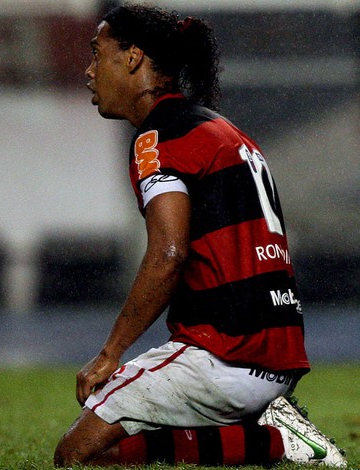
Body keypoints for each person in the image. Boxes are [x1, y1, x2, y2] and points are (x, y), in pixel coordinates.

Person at [53, 4, 347, 468]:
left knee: (76, 456)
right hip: (279, 353)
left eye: (97, 53)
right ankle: (272, 432)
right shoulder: (221, 129)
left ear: (132, 58)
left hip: (222, 353)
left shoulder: (159, 139)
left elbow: (169, 254)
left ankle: (275, 441)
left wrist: (110, 353)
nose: (89, 71)